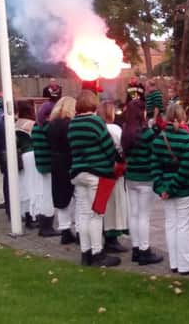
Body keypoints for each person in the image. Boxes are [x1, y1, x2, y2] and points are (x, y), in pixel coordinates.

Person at [68, 90, 120, 267]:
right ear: (93, 103)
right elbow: (108, 146)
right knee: (97, 214)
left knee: (83, 214)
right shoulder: (96, 122)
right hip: (95, 173)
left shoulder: (73, 123)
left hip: (78, 173)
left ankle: (86, 253)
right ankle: (98, 253)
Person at [151, 103, 189, 275]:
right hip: (184, 188)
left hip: (165, 185)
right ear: (182, 118)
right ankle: (186, 264)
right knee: (183, 227)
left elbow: (155, 166)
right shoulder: (187, 139)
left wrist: (161, 188)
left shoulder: (159, 138)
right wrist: (172, 187)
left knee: (171, 224)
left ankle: (174, 262)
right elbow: (187, 167)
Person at [121, 99, 163, 265]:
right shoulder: (147, 133)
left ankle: (136, 248)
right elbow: (155, 152)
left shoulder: (126, 131)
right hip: (146, 177)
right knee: (144, 216)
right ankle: (144, 250)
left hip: (131, 177)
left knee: (134, 214)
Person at [97, 100, 129, 253]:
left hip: (99, 170)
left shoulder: (97, 128)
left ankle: (105, 236)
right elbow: (122, 149)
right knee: (115, 205)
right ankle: (112, 238)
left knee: (103, 204)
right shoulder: (115, 129)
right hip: (114, 171)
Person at [47, 96, 78, 244]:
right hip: (69, 160)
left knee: (61, 197)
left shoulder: (51, 124)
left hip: (56, 161)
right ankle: (79, 230)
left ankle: (65, 230)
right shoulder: (70, 125)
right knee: (77, 196)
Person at [31, 101, 61, 237]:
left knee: (44, 194)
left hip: (41, 164)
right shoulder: (48, 127)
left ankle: (44, 224)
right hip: (49, 164)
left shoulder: (36, 126)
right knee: (49, 196)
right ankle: (47, 226)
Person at [14, 100, 37, 228]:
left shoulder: (16, 123)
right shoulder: (31, 124)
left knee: (24, 185)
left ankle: (27, 214)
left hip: (23, 155)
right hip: (32, 154)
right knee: (33, 185)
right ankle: (33, 215)